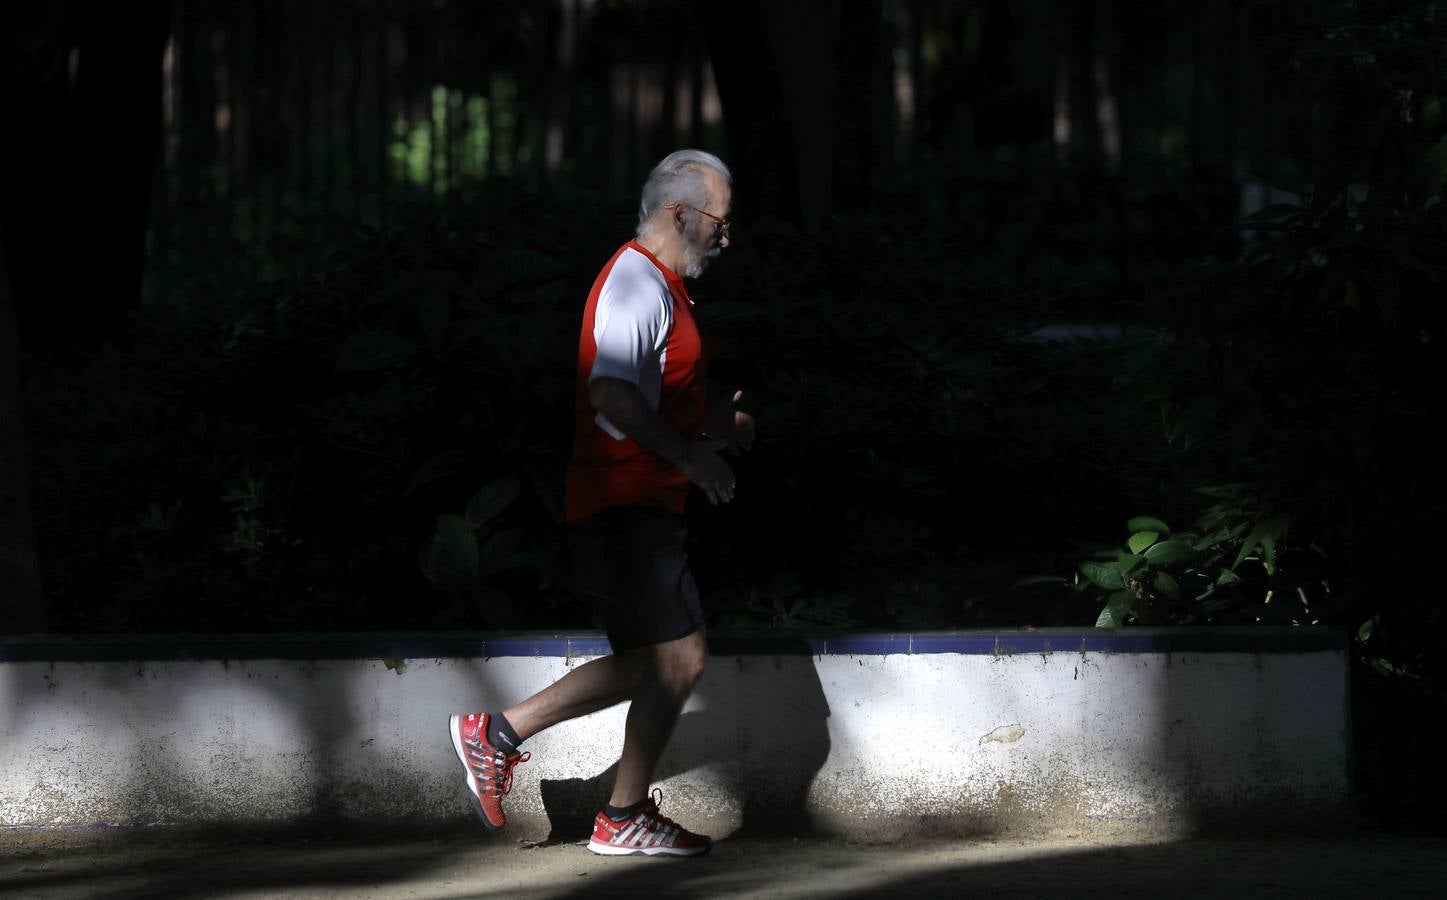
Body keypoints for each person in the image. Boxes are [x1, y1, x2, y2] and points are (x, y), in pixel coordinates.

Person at [449, 149, 754, 858]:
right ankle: (604, 806)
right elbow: (610, 395)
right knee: (677, 660)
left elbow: (649, 391)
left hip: (638, 502)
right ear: (681, 215)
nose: (725, 237)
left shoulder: (662, 287)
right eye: (720, 222)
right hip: (622, 500)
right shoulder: (633, 285)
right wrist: (690, 456)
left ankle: (505, 741)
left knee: (656, 662)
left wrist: (712, 421)